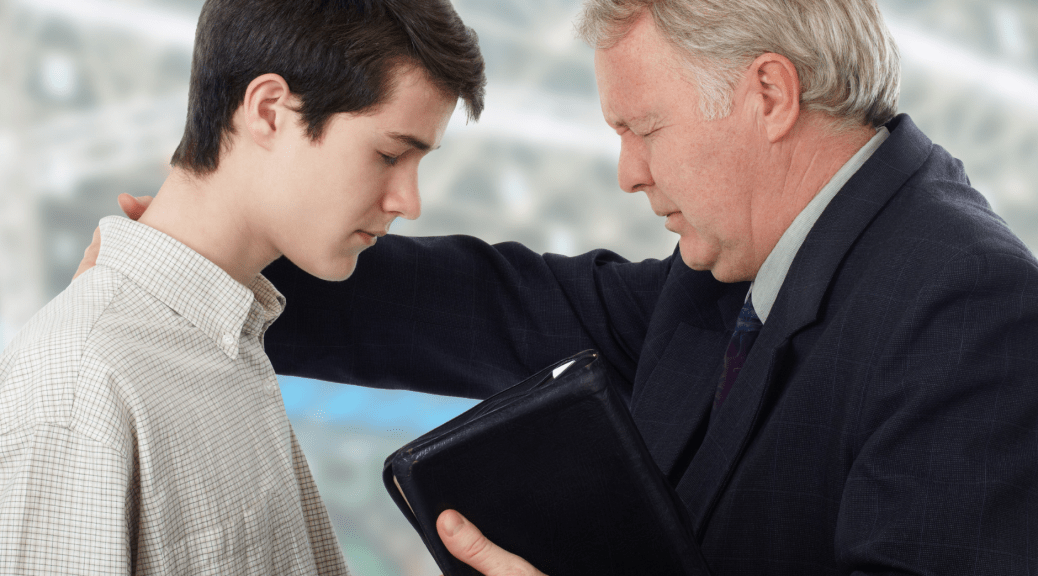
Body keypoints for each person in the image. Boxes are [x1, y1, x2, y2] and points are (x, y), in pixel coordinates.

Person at [85, 0, 1038, 575]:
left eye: (644, 128)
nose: (627, 172)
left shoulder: (970, 308)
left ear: (769, 95)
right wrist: (215, 256)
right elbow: (501, 304)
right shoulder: (736, 273)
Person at [3, 0, 485, 573]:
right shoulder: (83, 379)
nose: (409, 202)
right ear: (270, 111)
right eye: (388, 154)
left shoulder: (233, 333)